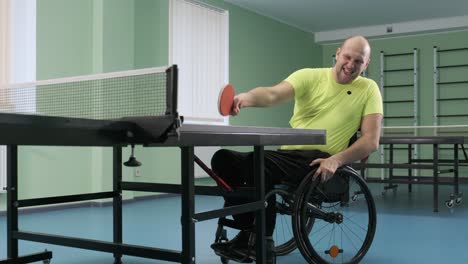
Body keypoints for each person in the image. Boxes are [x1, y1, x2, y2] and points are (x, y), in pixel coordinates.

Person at [210, 35, 383, 263]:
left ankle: (261, 238)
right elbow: (272, 94)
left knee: (259, 164)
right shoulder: (309, 76)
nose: (351, 65)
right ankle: (248, 230)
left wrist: (337, 160)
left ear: (366, 64)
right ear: (338, 53)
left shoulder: (368, 89)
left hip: (320, 161)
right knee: (223, 159)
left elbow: (371, 140)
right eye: (348, 57)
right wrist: (245, 98)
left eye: (358, 61)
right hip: (287, 157)